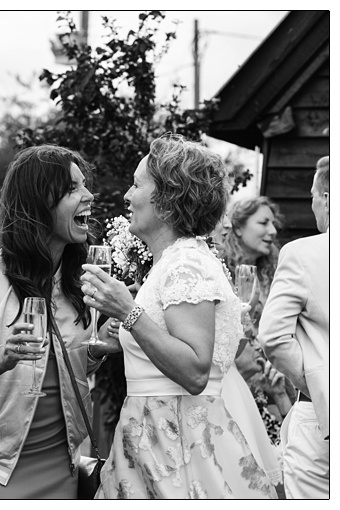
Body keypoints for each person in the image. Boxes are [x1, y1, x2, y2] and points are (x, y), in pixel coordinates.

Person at [79, 134, 278, 498]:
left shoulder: (186, 265)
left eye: (136, 184)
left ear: (167, 199)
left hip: (175, 447)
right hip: (151, 436)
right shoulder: (176, 261)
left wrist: (128, 310)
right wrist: (122, 332)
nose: (127, 195)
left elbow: (194, 370)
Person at [0, 145, 119, 498]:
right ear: (39, 202)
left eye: (84, 185)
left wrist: (99, 347)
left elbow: (71, 363)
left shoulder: (81, 280)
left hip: (63, 466)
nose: (89, 196)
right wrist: (0, 359)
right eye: (73, 189)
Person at [258, 155, 329, 499]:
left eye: (314, 195)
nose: (312, 202)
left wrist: (319, 384)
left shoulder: (301, 253)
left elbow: (272, 337)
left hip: (320, 419)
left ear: (328, 197)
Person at [219, 196, 296, 445]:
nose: (272, 231)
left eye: (274, 224)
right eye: (263, 223)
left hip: (273, 382)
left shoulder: (275, 272)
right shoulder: (219, 271)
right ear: (238, 227)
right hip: (233, 380)